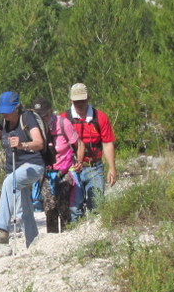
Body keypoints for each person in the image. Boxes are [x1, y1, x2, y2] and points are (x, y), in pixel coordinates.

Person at [0, 91, 45, 247]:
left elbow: (39, 143)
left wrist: (22, 145)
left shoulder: (27, 118)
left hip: (33, 166)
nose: (4, 113)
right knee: (25, 211)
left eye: (7, 110)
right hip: (15, 169)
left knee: (9, 182)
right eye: (2, 110)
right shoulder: (3, 123)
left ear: (16, 107)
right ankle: (33, 244)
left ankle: (1, 229)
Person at [63, 82, 116, 220]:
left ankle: (93, 237)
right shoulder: (64, 119)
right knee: (74, 208)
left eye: (82, 100)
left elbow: (107, 143)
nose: (79, 103)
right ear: (71, 100)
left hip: (95, 167)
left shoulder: (100, 117)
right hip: (72, 169)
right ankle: (75, 236)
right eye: (76, 101)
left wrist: (112, 168)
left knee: (96, 205)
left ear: (88, 98)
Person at [30, 97, 83, 233]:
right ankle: (52, 237)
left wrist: (79, 161)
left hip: (65, 171)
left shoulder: (63, 123)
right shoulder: (34, 128)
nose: (43, 118)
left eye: (45, 115)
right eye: (39, 116)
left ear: (51, 111)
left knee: (64, 205)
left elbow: (79, 144)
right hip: (46, 173)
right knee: (50, 208)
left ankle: (68, 234)